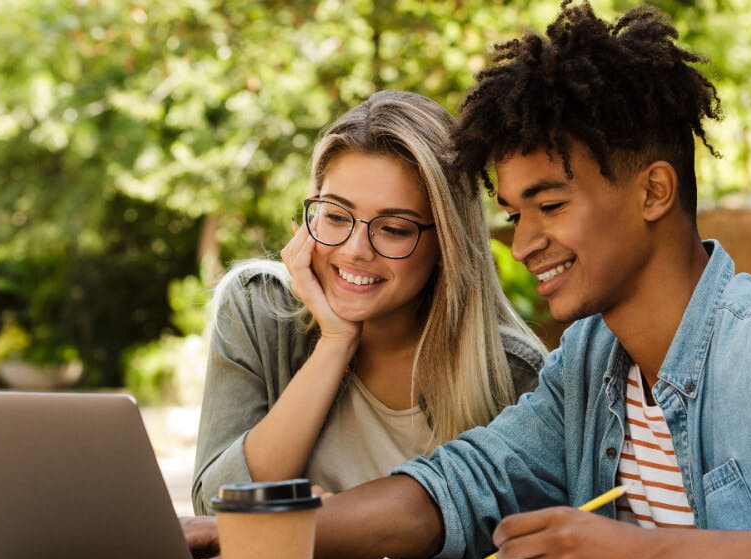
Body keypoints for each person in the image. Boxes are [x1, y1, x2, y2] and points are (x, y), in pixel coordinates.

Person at [186, 2, 751, 559]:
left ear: (653, 191)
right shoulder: (589, 368)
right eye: (513, 213)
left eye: (550, 205)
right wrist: (243, 537)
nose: (522, 240)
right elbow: (453, 487)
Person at [190, 90, 546, 513]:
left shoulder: (511, 373)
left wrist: (332, 527)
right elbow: (214, 510)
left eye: (394, 229)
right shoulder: (257, 309)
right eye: (336, 216)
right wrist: (335, 343)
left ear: (448, 245)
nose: (356, 249)